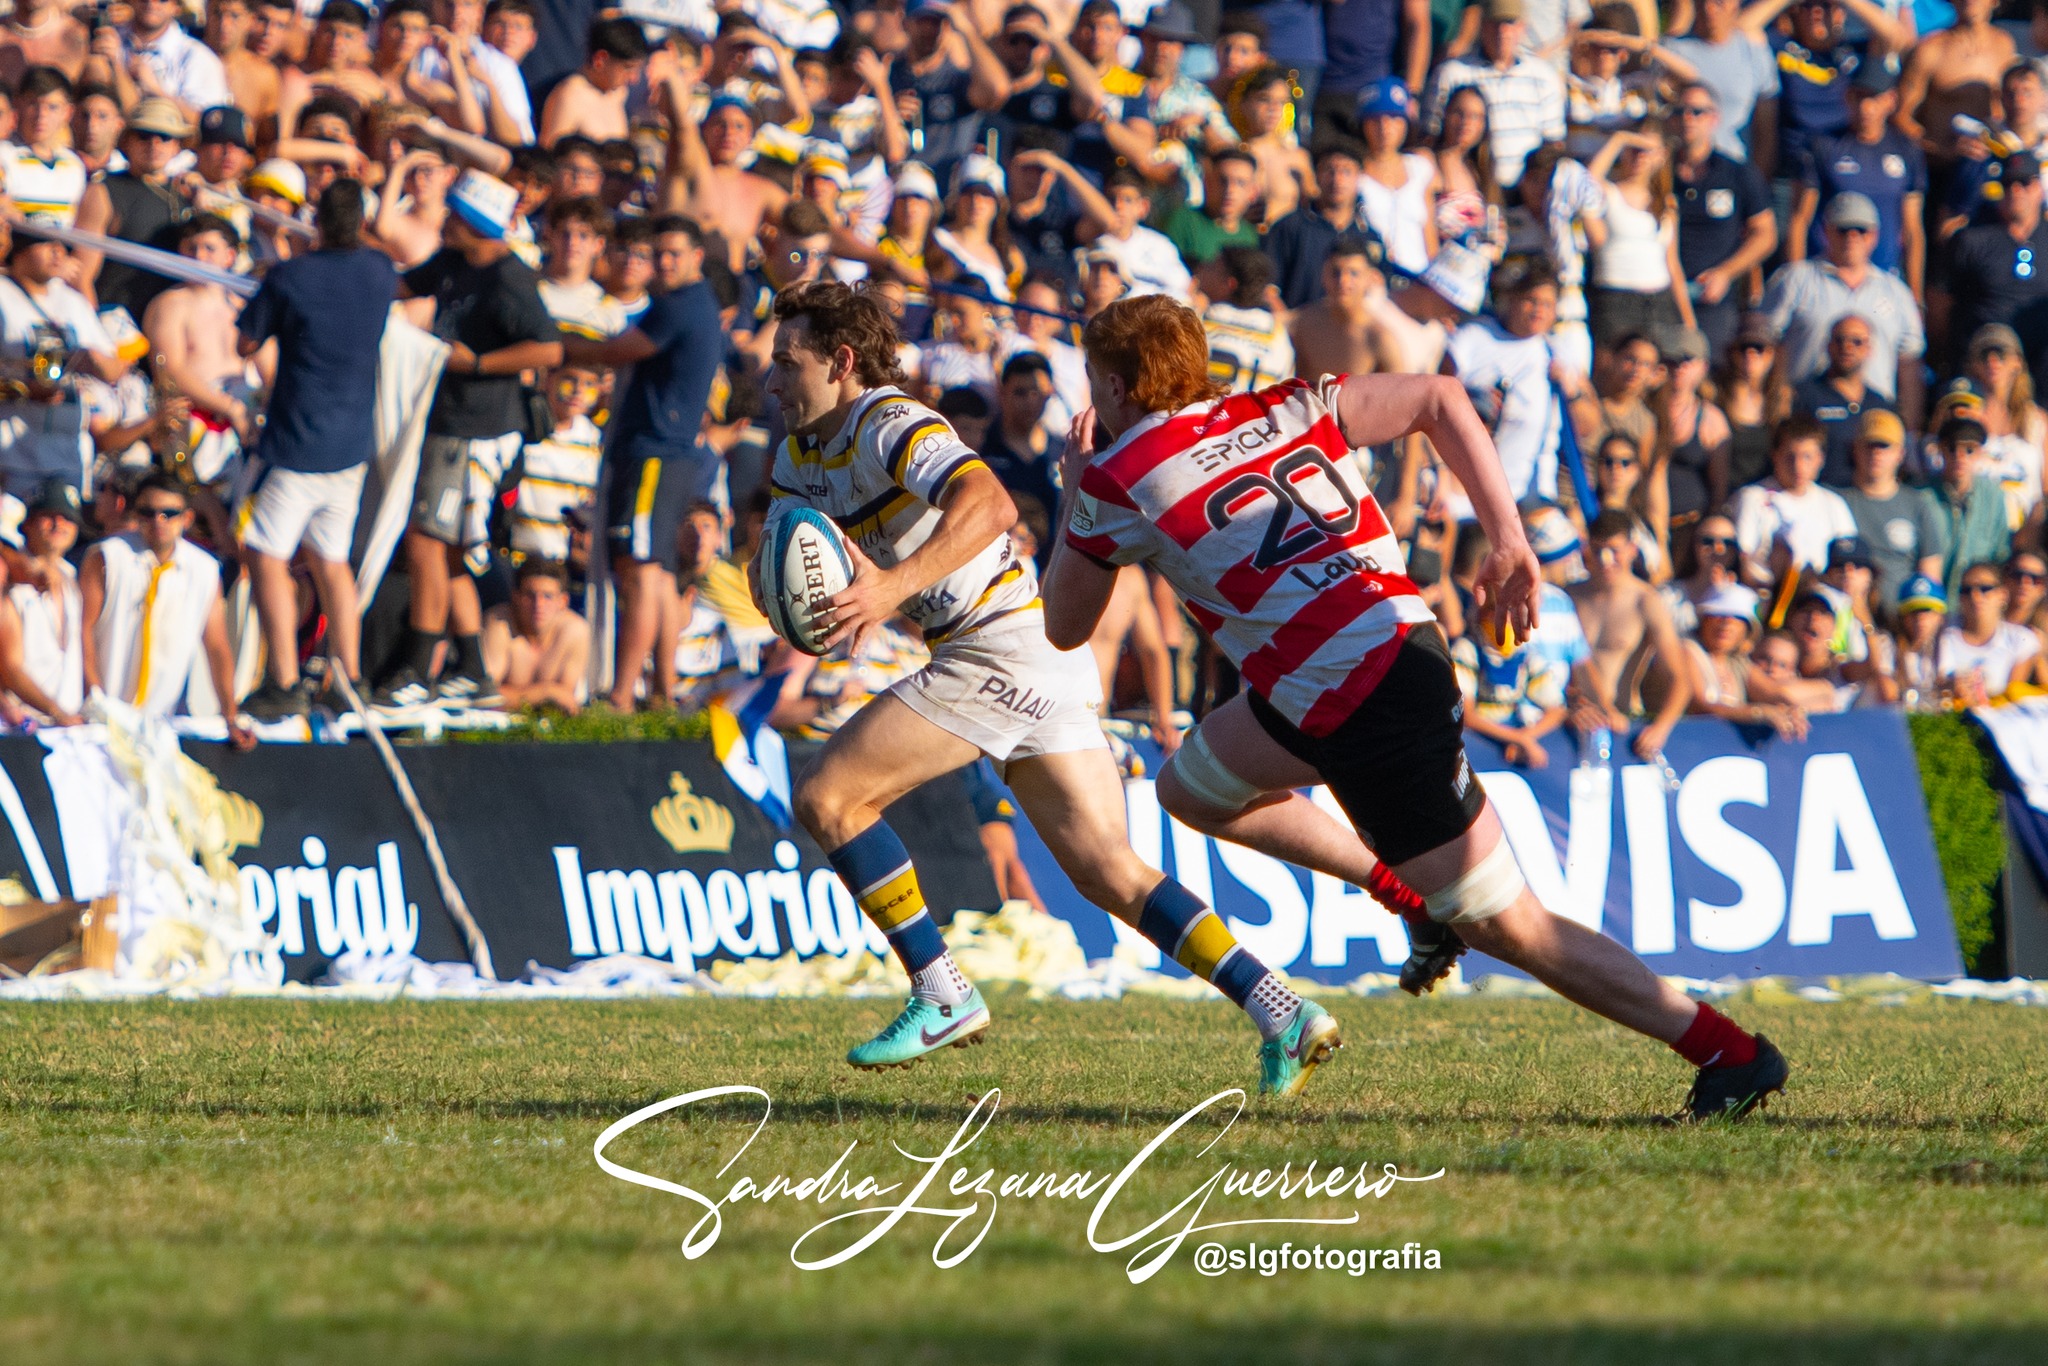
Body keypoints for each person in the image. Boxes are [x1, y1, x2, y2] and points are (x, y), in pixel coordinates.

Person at [1044, 293, 1788, 1120]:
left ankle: (1732, 1053)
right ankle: (1407, 897)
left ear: (1111, 389)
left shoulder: (1117, 477)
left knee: (1515, 929)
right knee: (1193, 788)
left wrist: (1077, 491)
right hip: (1389, 649)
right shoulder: (1281, 403)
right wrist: (1509, 537)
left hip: (1358, 699)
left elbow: (1065, 626)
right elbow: (1441, 397)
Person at [758, 280, 1350, 1095]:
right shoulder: (797, 458)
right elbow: (793, 566)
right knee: (1109, 870)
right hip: (1032, 653)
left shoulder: (889, 422)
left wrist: (890, 590)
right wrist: (785, 604)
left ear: (843, 361)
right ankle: (1280, 1007)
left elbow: (990, 503)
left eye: (787, 362)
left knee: (828, 796)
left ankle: (941, 990)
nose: (771, 379)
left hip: (993, 649)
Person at [377, 171, 562, 710]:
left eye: (455, 214)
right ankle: (474, 667)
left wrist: (479, 362)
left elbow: (548, 350)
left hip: (477, 431)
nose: (445, 221)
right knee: (450, 550)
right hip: (449, 422)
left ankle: (416, 667)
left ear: (474, 223)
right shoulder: (453, 263)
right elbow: (402, 285)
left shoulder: (509, 279)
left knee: (426, 543)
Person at [236, 180, 396, 720]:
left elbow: (246, 342)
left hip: (298, 442)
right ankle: (347, 677)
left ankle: (283, 678)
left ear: (316, 220)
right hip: (351, 445)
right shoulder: (380, 272)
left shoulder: (291, 276)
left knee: (264, 552)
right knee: (332, 561)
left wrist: (266, 293)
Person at [561, 214, 723, 712]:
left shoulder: (679, 307)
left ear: (698, 256)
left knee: (641, 573)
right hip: (664, 454)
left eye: (675, 253)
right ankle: (659, 690)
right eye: (659, 253)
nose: (664, 262)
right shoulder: (691, 304)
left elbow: (618, 351)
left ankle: (623, 694)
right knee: (651, 571)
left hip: (655, 453)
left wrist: (556, 344)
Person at [79, 473, 250, 745]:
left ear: (187, 518)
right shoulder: (108, 557)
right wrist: (94, 699)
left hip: (158, 727)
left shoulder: (203, 569)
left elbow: (217, 645)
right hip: (99, 718)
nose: (159, 521)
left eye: (169, 513)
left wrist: (231, 717)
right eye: (149, 512)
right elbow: (82, 631)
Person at [1760, 191, 1924, 425]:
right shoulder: (1795, 280)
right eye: (1843, 229)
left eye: (1861, 230)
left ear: (1875, 236)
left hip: (1874, 422)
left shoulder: (1896, 292)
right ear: (1826, 231)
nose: (1852, 237)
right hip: (1806, 418)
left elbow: (1909, 364)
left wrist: (1910, 427)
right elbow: (1765, 344)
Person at [1788, 62, 1926, 301]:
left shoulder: (1907, 150)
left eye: (1874, 98)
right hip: (1827, 278)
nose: (1866, 107)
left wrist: (1915, 295)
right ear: (1847, 98)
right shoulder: (1824, 145)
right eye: (1859, 96)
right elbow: (1800, 218)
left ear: (1891, 100)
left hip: (1884, 281)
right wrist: (1797, 282)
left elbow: (1912, 228)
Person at [1442, 257, 1570, 504]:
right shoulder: (1474, 335)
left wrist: (1572, 391)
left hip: (1530, 493)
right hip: (1465, 493)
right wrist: (1473, 399)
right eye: (1531, 301)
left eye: (1547, 304)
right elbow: (1439, 385)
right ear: (1512, 299)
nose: (1539, 311)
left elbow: (1585, 424)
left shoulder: (1555, 351)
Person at [1671, 82, 1776, 358]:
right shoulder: (1660, 173)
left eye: (1697, 112)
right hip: (1664, 296)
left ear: (1714, 118)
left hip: (1713, 298)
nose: (1688, 119)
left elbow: (1765, 234)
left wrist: (1726, 273)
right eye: (1680, 111)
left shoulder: (1736, 173)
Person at [1421, 0, 1566, 190]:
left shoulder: (1544, 76)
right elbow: (1430, 136)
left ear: (1523, 27)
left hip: (1526, 192)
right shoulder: (1452, 74)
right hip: (1468, 187)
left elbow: (1553, 144)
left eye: (1510, 23)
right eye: (1494, 23)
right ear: (1481, 25)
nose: (1502, 31)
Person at [1943, 155, 2048, 402]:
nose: (2016, 191)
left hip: (2040, 364)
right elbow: (1942, 305)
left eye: (2025, 183)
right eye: (2008, 184)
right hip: (1985, 362)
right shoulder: (1972, 240)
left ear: (2039, 189)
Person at [1731, 414, 1857, 582]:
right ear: (1774, 455)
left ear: (1820, 459)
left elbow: (1848, 560)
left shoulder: (1834, 504)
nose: (1798, 466)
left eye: (1807, 457)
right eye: (1790, 457)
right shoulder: (1751, 498)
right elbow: (1744, 558)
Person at [1840, 408, 1947, 607]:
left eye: (1884, 446)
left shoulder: (1917, 504)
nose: (1876, 453)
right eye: (1869, 445)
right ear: (1856, 449)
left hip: (1904, 617)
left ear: (1900, 453)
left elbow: (1930, 575)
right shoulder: (1837, 502)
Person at [0, 477, 84, 726]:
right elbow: (10, 667)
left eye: (68, 517)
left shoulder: (72, 577)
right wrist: (56, 712)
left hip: (66, 723)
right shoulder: (11, 579)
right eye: (48, 515)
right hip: (19, 723)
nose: (59, 524)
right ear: (27, 523)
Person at [1895, 0, 2014, 168]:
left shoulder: (2004, 44)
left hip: (1988, 166)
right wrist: (1942, 149)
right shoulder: (1930, 50)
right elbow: (1901, 116)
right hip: (1938, 169)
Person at [1664, 0, 1779, 168]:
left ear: (1735, 4)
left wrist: (1758, 181)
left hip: (1735, 168)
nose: (1708, 9)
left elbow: (1766, 131)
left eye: (1718, 3)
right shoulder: (1672, 51)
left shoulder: (1753, 52)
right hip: (1683, 170)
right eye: (1702, 2)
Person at [1264, 137, 1374, 310]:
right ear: (1316, 175)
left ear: (1359, 177)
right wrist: (1289, 324)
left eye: (1346, 171)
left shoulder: (1369, 236)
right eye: (1329, 171)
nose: (1337, 180)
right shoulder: (1290, 227)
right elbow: (1268, 289)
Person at [1790, 314, 1897, 484]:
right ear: (1828, 346)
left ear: (1869, 349)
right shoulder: (1804, 396)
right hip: (1821, 497)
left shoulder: (1880, 404)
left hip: (1864, 501)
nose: (1847, 347)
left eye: (1857, 342)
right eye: (1840, 340)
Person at [1355, 77, 1440, 277]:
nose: (1385, 128)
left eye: (1394, 118)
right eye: (1375, 120)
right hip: (1374, 280)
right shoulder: (1355, 175)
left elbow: (1429, 235)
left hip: (1417, 280)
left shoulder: (1420, 168)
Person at [480, 558, 590, 712]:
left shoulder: (575, 631)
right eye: (530, 595)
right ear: (516, 597)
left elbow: (566, 700)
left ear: (563, 601)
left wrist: (513, 696)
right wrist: (547, 692)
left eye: (548, 596)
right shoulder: (500, 622)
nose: (538, 605)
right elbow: (485, 695)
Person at [1927, 405, 2014, 599]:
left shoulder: (1994, 497)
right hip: (1931, 602)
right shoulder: (1922, 496)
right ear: (1940, 449)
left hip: (1975, 602)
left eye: (1969, 450)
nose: (1960, 457)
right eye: (1952, 448)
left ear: (1980, 452)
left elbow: (2000, 554)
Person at [1291, 240, 1405, 381]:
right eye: (1335, 272)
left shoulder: (1380, 339)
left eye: (1354, 273)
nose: (1343, 281)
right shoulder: (1304, 324)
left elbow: (1397, 396)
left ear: (1370, 278)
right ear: (1323, 275)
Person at [1940, 559, 2046, 703]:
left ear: (2002, 595)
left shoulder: (2021, 640)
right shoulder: (1942, 630)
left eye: (1985, 589)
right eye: (1966, 590)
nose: (1975, 596)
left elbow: (2010, 699)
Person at [538, 17, 648, 146]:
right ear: (600, 59)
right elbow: (550, 156)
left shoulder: (619, 94)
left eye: (638, 69)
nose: (634, 79)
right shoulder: (571, 96)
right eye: (628, 68)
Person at [1199, 247, 1293, 393]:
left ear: (1230, 284)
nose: (1203, 270)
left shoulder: (1204, 320)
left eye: (1212, 268)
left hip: (1208, 413)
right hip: (1258, 414)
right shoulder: (1276, 331)